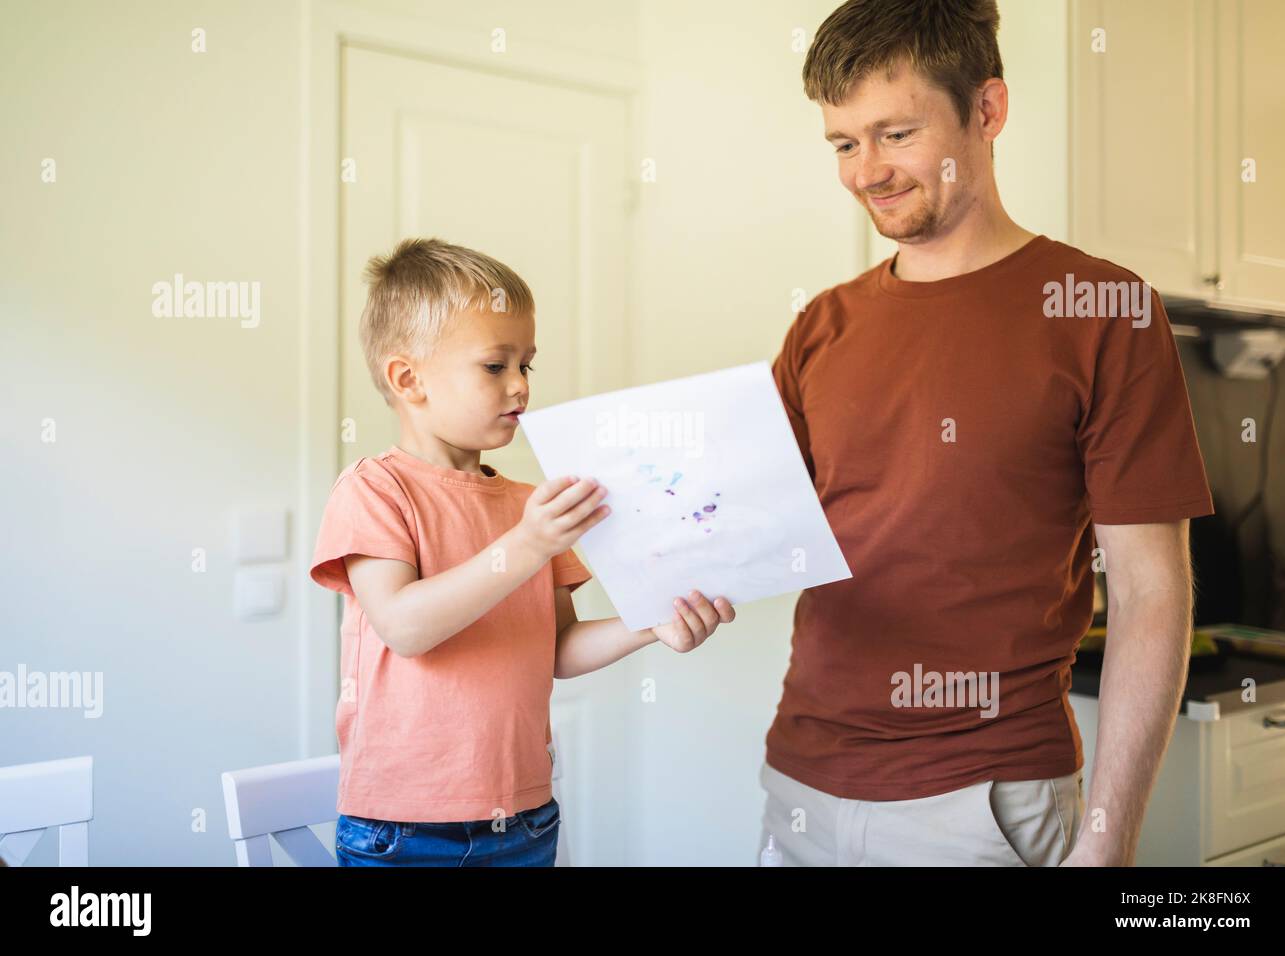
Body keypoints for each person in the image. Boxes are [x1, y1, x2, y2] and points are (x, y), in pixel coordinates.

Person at [759, 0, 1213, 866]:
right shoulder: (822, 325)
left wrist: (1108, 841)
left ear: (988, 111)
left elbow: (1154, 594)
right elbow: (745, 523)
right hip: (802, 785)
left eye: (896, 134)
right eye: (844, 144)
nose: (866, 173)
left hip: (984, 802)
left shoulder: (1104, 312)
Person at [311, 237, 736, 866]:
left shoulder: (529, 505)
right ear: (409, 379)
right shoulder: (375, 490)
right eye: (495, 366)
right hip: (403, 825)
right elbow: (404, 625)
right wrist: (528, 543)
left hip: (524, 819)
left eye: (527, 365)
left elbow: (557, 650)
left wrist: (650, 623)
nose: (520, 386)